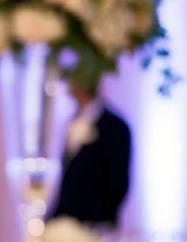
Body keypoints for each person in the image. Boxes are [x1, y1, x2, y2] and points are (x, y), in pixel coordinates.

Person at [50, 82, 131, 228]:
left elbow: (118, 184)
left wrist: (96, 223)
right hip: (65, 224)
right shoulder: (71, 121)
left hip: (97, 226)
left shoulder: (115, 127)